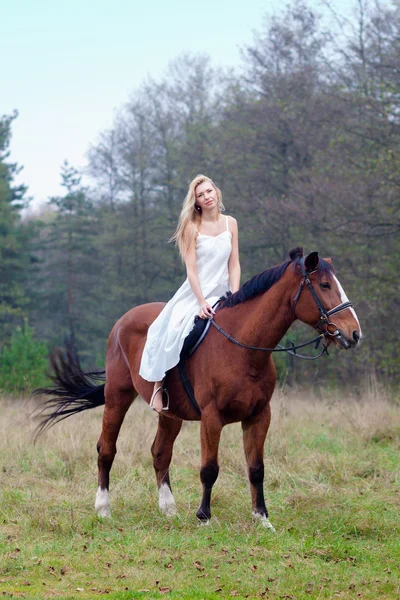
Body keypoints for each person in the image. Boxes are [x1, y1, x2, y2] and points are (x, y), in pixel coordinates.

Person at [139, 174, 241, 412]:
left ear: (217, 192)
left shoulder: (231, 223)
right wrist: (201, 301)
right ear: (195, 201)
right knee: (171, 328)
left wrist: (235, 294)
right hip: (197, 292)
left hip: (224, 291)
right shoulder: (191, 227)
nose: (207, 197)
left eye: (209, 191)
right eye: (201, 195)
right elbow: (192, 271)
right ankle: (159, 385)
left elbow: (234, 263)